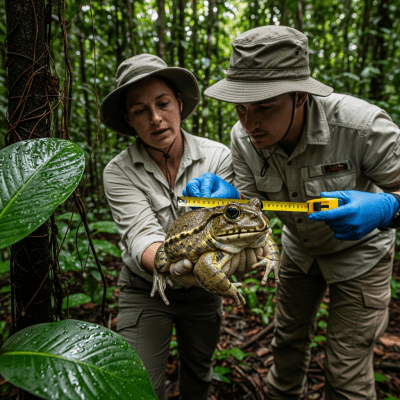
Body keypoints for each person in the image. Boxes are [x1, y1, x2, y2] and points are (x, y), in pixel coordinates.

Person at [184, 26, 400, 400]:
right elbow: (257, 209)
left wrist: (388, 206)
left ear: (300, 96)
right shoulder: (242, 137)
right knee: (286, 342)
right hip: (299, 252)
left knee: (345, 370)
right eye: (241, 107)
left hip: (362, 256)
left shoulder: (360, 127)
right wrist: (229, 201)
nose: (250, 123)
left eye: (264, 106)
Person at [100, 54, 245, 400]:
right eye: (140, 110)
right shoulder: (118, 172)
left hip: (204, 290)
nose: (156, 118)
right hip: (145, 286)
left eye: (163, 103)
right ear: (128, 119)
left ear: (179, 102)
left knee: (198, 370)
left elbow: (229, 228)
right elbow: (140, 235)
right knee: (140, 385)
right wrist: (168, 263)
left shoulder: (217, 157)